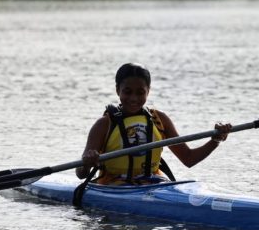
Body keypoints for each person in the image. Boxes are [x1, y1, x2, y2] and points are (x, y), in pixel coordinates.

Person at [76, 63, 232, 185]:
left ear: (148, 91)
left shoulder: (160, 119)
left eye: (140, 92)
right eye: (127, 91)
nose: (134, 98)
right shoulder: (104, 124)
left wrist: (215, 140)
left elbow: (189, 159)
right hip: (113, 186)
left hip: (154, 183)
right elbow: (81, 173)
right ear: (118, 90)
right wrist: (87, 163)